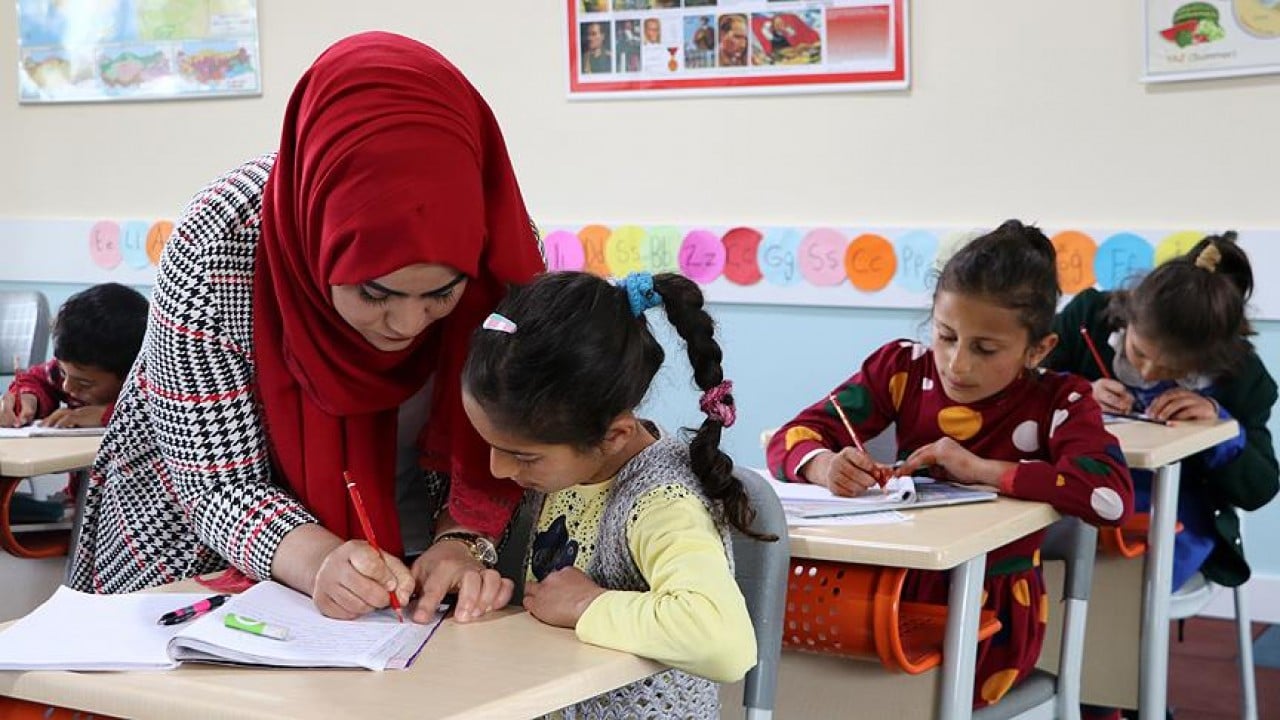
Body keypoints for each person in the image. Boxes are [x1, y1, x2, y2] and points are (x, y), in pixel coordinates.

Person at [66, 33, 546, 629]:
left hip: (418, 581)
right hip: (213, 563)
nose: (405, 323)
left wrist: (462, 541)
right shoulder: (218, 249)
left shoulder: (500, 253)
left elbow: (515, 436)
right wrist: (317, 559)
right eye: (375, 293)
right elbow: (215, 481)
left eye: (441, 294)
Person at [766, 220, 1135, 709]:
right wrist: (823, 465)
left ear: (1038, 349)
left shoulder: (1061, 400)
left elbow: (1110, 499)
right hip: (885, 593)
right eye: (945, 336)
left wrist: (983, 469)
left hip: (992, 616)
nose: (957, 364)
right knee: (809, 680)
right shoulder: (902, 368)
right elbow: (794, 436)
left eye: (985, 349)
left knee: (889, 698)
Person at [462, 271, 761, 718]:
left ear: (615, 435)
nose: (498, 469)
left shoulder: (661, 501)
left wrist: (586, 604)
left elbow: (725, 642)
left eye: (521, 456)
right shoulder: (571, 468)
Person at [1045, 233, 1277, 593]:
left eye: (1172, 369)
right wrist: (1078, 392)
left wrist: (1222, 427)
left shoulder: (1241, 375)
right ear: (1129, 314)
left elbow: (1259, 489)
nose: (1150, 373)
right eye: (1139, 353)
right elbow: (1025, 382)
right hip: (1076, 496)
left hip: (1172, 518)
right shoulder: (1090, 318)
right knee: (1033, 565)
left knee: (1117, 587)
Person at [1, 283, 147, 430]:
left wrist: (109, 415)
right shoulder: (73, 371)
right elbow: (36, 379)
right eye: (64, 373)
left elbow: (153, 414)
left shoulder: (154, 385)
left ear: (130, 374)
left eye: (85, 384)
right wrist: (29, 399)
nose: (67, 386)